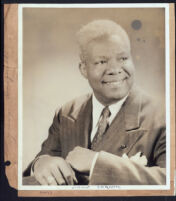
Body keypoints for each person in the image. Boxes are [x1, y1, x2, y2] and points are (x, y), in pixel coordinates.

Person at [23, 19, 166, 185]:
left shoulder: (164, 115)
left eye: (123, 58)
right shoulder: (66, 113)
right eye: (102, 62)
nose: (114, 69)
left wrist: (97, 163)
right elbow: (44, 161)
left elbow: (171, 181)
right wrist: (41, 163)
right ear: (83, 69)